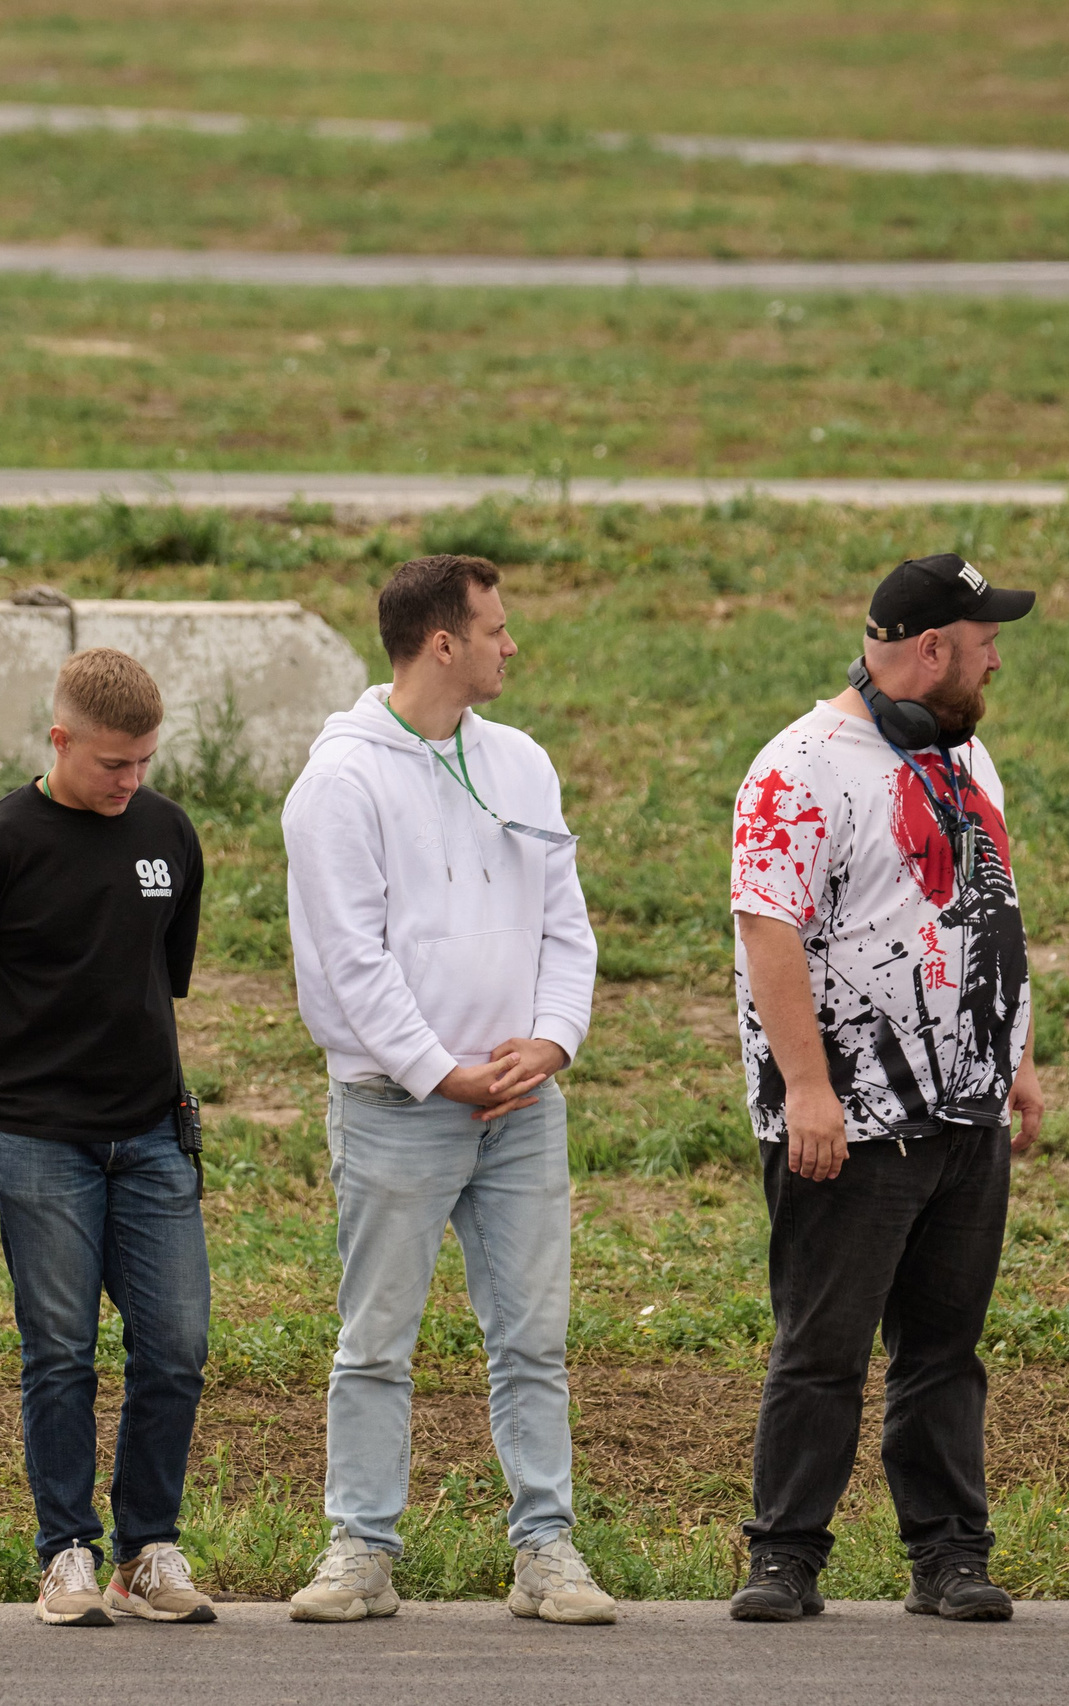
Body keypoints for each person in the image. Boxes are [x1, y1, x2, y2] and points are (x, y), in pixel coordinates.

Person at [278, 555, 610, 1627]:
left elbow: (566, 922)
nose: (512, 644)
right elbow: (348, 961)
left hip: (520, 1110)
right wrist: (442, 1070)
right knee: (375, 1340)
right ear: (441, 644)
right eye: (496, 629)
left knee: (533, 1337)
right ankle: (359, 1549)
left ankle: (546, 1549)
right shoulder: (340, 783)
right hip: (396, 1108)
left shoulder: (520, 762)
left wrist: (551, 1042)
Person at [726, 553, 1044, 1624]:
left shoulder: (966, 754)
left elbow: (989, 918)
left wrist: (1020, 1060)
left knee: (944, 1351)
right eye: (984, 639)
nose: (996, 654)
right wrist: (808, 1089)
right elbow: (766, 928)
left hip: (968, 1112)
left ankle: (949, 1555)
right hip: (848, 1121)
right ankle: (783, 1555)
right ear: (929, 649)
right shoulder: (800, 766)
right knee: (821, 1348)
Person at [0, 647, 217, 1629]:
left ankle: (148, 1546)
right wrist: (18, 1076)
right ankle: (65, 1549)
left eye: (143, 762)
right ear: (59, 740)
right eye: (111, 763)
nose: (130, 781)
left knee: (175, 1342)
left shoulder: (168, 833)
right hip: (39, 1136)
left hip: (151, 1131)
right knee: (60, 1349)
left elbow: (161, 975)